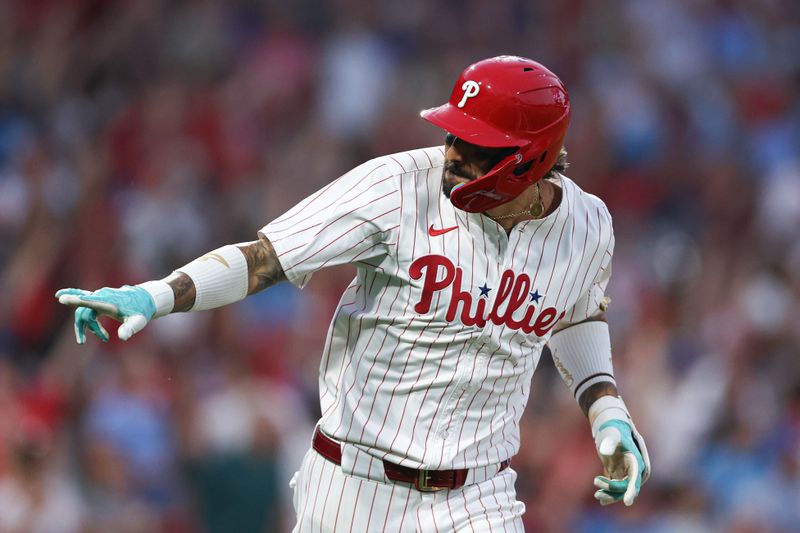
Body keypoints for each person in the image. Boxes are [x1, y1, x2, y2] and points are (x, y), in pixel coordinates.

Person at [57, 55, 650, 531]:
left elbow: (576, 316)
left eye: (475, 145)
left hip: (480, 496)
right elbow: (266, 260)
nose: (451, 155)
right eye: (452, 136)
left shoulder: (588, 226)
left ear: (532, 158)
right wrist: (157, 294)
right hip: (353, 489)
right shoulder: (395, 187)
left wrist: (608, 414)